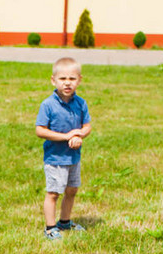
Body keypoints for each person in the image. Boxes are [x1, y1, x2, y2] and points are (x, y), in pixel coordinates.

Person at [35, 57, 92, 241]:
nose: (67, 83)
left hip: (73, 158)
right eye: (62, 79)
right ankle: (50, 227)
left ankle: (65, 222)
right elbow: (40, 130)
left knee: (72, 190)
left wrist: (79, 135)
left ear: (79, 80)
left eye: (72, 79)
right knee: (53, 193)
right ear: (53, 80)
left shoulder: (81, 103)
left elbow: (87, 126)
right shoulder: (48, 105)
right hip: (55, 159)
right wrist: (66, 137)